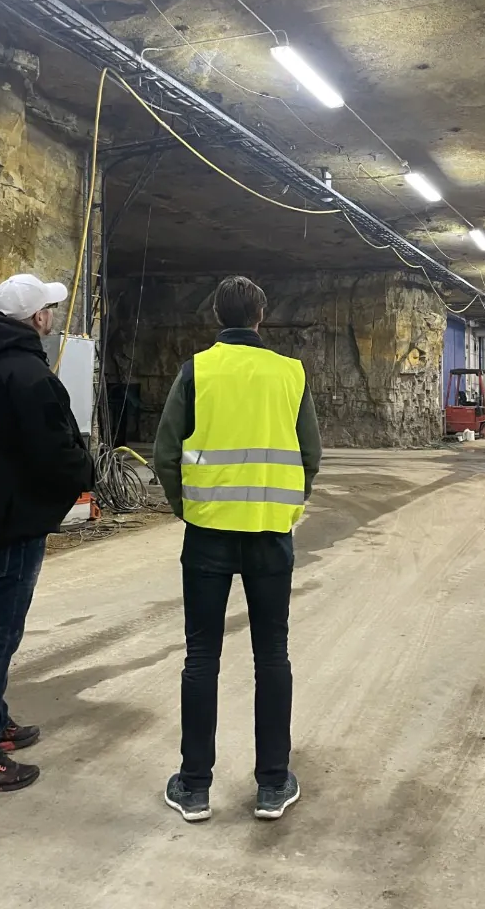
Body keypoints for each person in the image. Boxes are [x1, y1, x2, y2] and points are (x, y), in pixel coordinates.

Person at [154, 275, 322, 823]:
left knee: (201, 656)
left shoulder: (195, 371)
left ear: (216, 317)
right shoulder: (290, 373)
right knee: (272, 655)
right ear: (261, 316)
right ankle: (272, 784)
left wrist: (189, 508)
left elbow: (165, 454)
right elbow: (311, 454)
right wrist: (287, 506)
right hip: (270, 535)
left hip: (207, 534)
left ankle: (194, 786)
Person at [0, 273, 95, 795]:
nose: (51, 318)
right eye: (49, 310)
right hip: (11, 525)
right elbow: (56, 453)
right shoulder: (30, 375)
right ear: (37, 318)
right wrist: (86, 472)